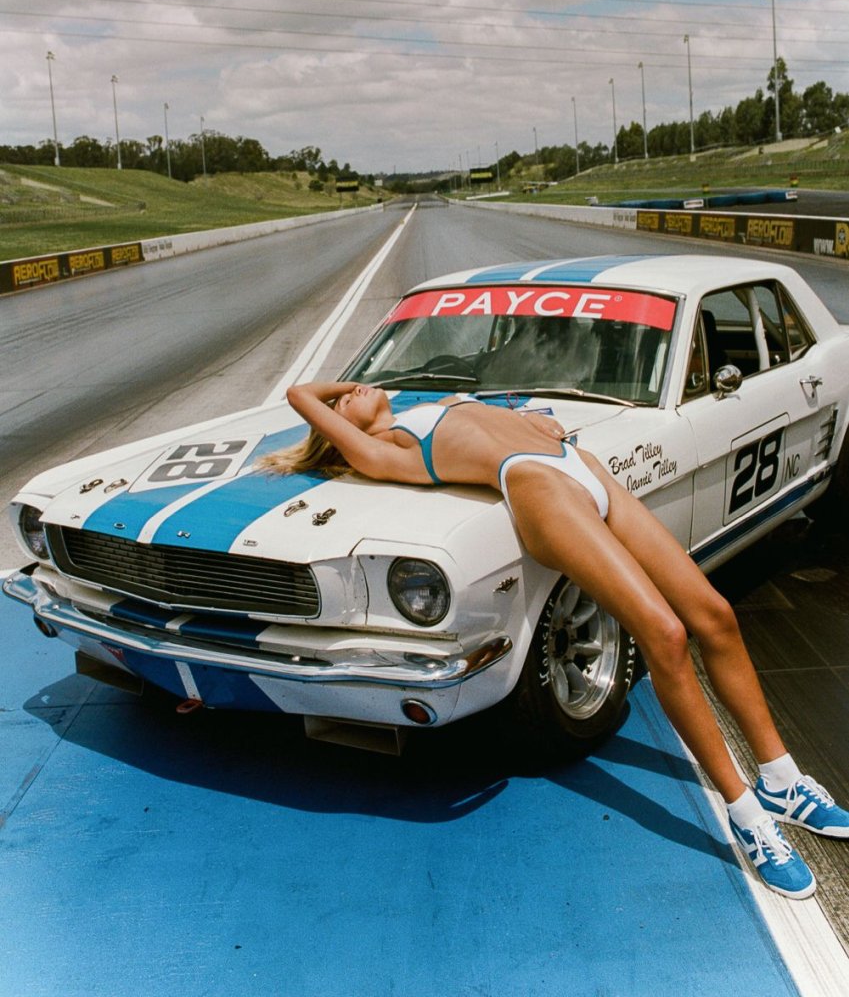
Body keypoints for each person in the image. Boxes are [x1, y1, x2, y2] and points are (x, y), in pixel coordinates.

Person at [266, 381, 849, 900]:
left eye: (350, 390)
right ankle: (746, 814)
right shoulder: (381, 450)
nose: (350, 392)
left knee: (715, 615)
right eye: (342, 403)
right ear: (336, 432)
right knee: (665, 634)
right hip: (540, 490)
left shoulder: (430, 407)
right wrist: (337, 404)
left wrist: (529, 421)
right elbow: (301, 394)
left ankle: (781, 781)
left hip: (581, 467)